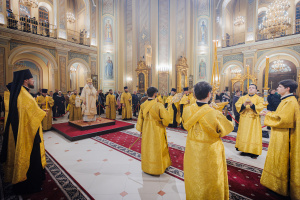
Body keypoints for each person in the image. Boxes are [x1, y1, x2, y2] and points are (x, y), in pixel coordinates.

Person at [182, 81, 233, 200]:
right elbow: (227, 128)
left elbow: (184, 123)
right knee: (211, 177)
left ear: (194, 95)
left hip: (192, 148)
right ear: (209, 94)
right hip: (210, 151)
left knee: (194, 174)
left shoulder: (187, 110)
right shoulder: (214, 113)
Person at [0, 69, 47, 194]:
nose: (33, 81)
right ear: (25, 80)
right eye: (32, 79)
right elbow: (29, 111)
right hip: (28, 132)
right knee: (32, 157)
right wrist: (42, 113)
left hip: (27, 128)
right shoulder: (24, 94)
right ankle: (31, 185)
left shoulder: (20, 92)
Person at [260, 80, 300, 199]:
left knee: (282, 159)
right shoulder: (286, 100)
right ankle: (276, 184)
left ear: (287, 88)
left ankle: (281, 187)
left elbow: (283, 120)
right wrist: (271, 112)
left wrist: (267, 114)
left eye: (280, 86)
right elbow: (281, 115)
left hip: (284, 137)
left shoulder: (290, 102)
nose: (277, 88)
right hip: (280, 135)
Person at [136, 87, 171, 175]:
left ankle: (147, 167)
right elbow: (166, 120)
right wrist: (164, 122)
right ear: (155, 93)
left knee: (148, 147)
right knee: (158, 147)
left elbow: (140, 119)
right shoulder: (158, 105)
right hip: (157, 130)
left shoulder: (143, 105)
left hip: (146, 130)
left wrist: (141, 130)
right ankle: (157, 168)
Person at [235, 84, 264, 159]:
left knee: (253, 134)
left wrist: (252, 105)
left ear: (256, 90)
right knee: (244, 134)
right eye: (249, 88)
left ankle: (253, 151)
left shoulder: (259, 98)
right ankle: (244, 150)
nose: (251, 89)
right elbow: (237, 105)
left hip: (253, 119)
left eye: (253, 88)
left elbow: (261, 107)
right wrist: (244, 104)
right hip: (244, 119)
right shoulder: (242, 98)